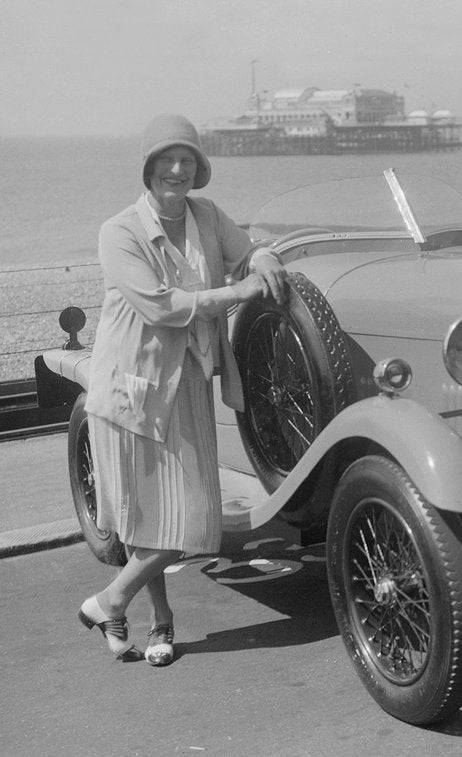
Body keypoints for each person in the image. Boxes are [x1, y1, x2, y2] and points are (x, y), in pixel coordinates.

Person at [77, 114, 288, 664]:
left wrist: (262, 257)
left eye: (187, 160)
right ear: (149, 168)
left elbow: (248, 251)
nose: (177, 169)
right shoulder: (118, 231)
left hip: (188, 381)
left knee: (189, 516)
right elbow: (162, 306)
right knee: (153, 518)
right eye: (167, 160)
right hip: (132, 387)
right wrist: (240, 290)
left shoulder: (208, 215)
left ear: (198, 170)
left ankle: (121, 607)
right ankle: (136, 610)